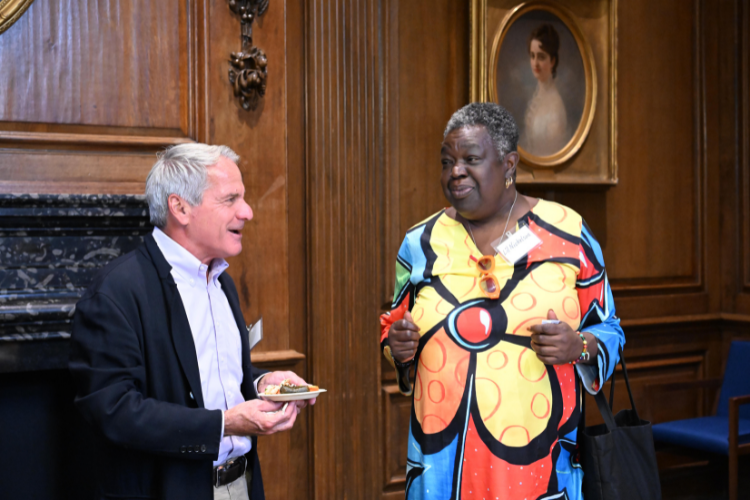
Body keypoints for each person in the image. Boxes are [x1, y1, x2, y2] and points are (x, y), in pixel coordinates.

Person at [380, 103, 624, 499]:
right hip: (443, 471)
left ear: (509, 164)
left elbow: (610, 331)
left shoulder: (569, 233)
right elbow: (393, 328)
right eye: (447, 161)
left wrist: (577, 346)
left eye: (470, 159)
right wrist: (397, 349)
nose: (455, 171)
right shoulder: (418, 244)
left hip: (537, 467)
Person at [69, 143, 314, 500]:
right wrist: (224, 424)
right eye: (230, 199)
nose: (246, 211)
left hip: (240, 486)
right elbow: (115, 412)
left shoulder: (221, 281)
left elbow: (211, 378)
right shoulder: (114, 294)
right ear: (180, 207)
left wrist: (263, 383)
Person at [522, 23, 569, 156]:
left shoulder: (555, 105)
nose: (535, 63)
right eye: (532, 56)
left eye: (541, 57)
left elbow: (552, 154)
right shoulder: (538, 95)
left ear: (552, 61)